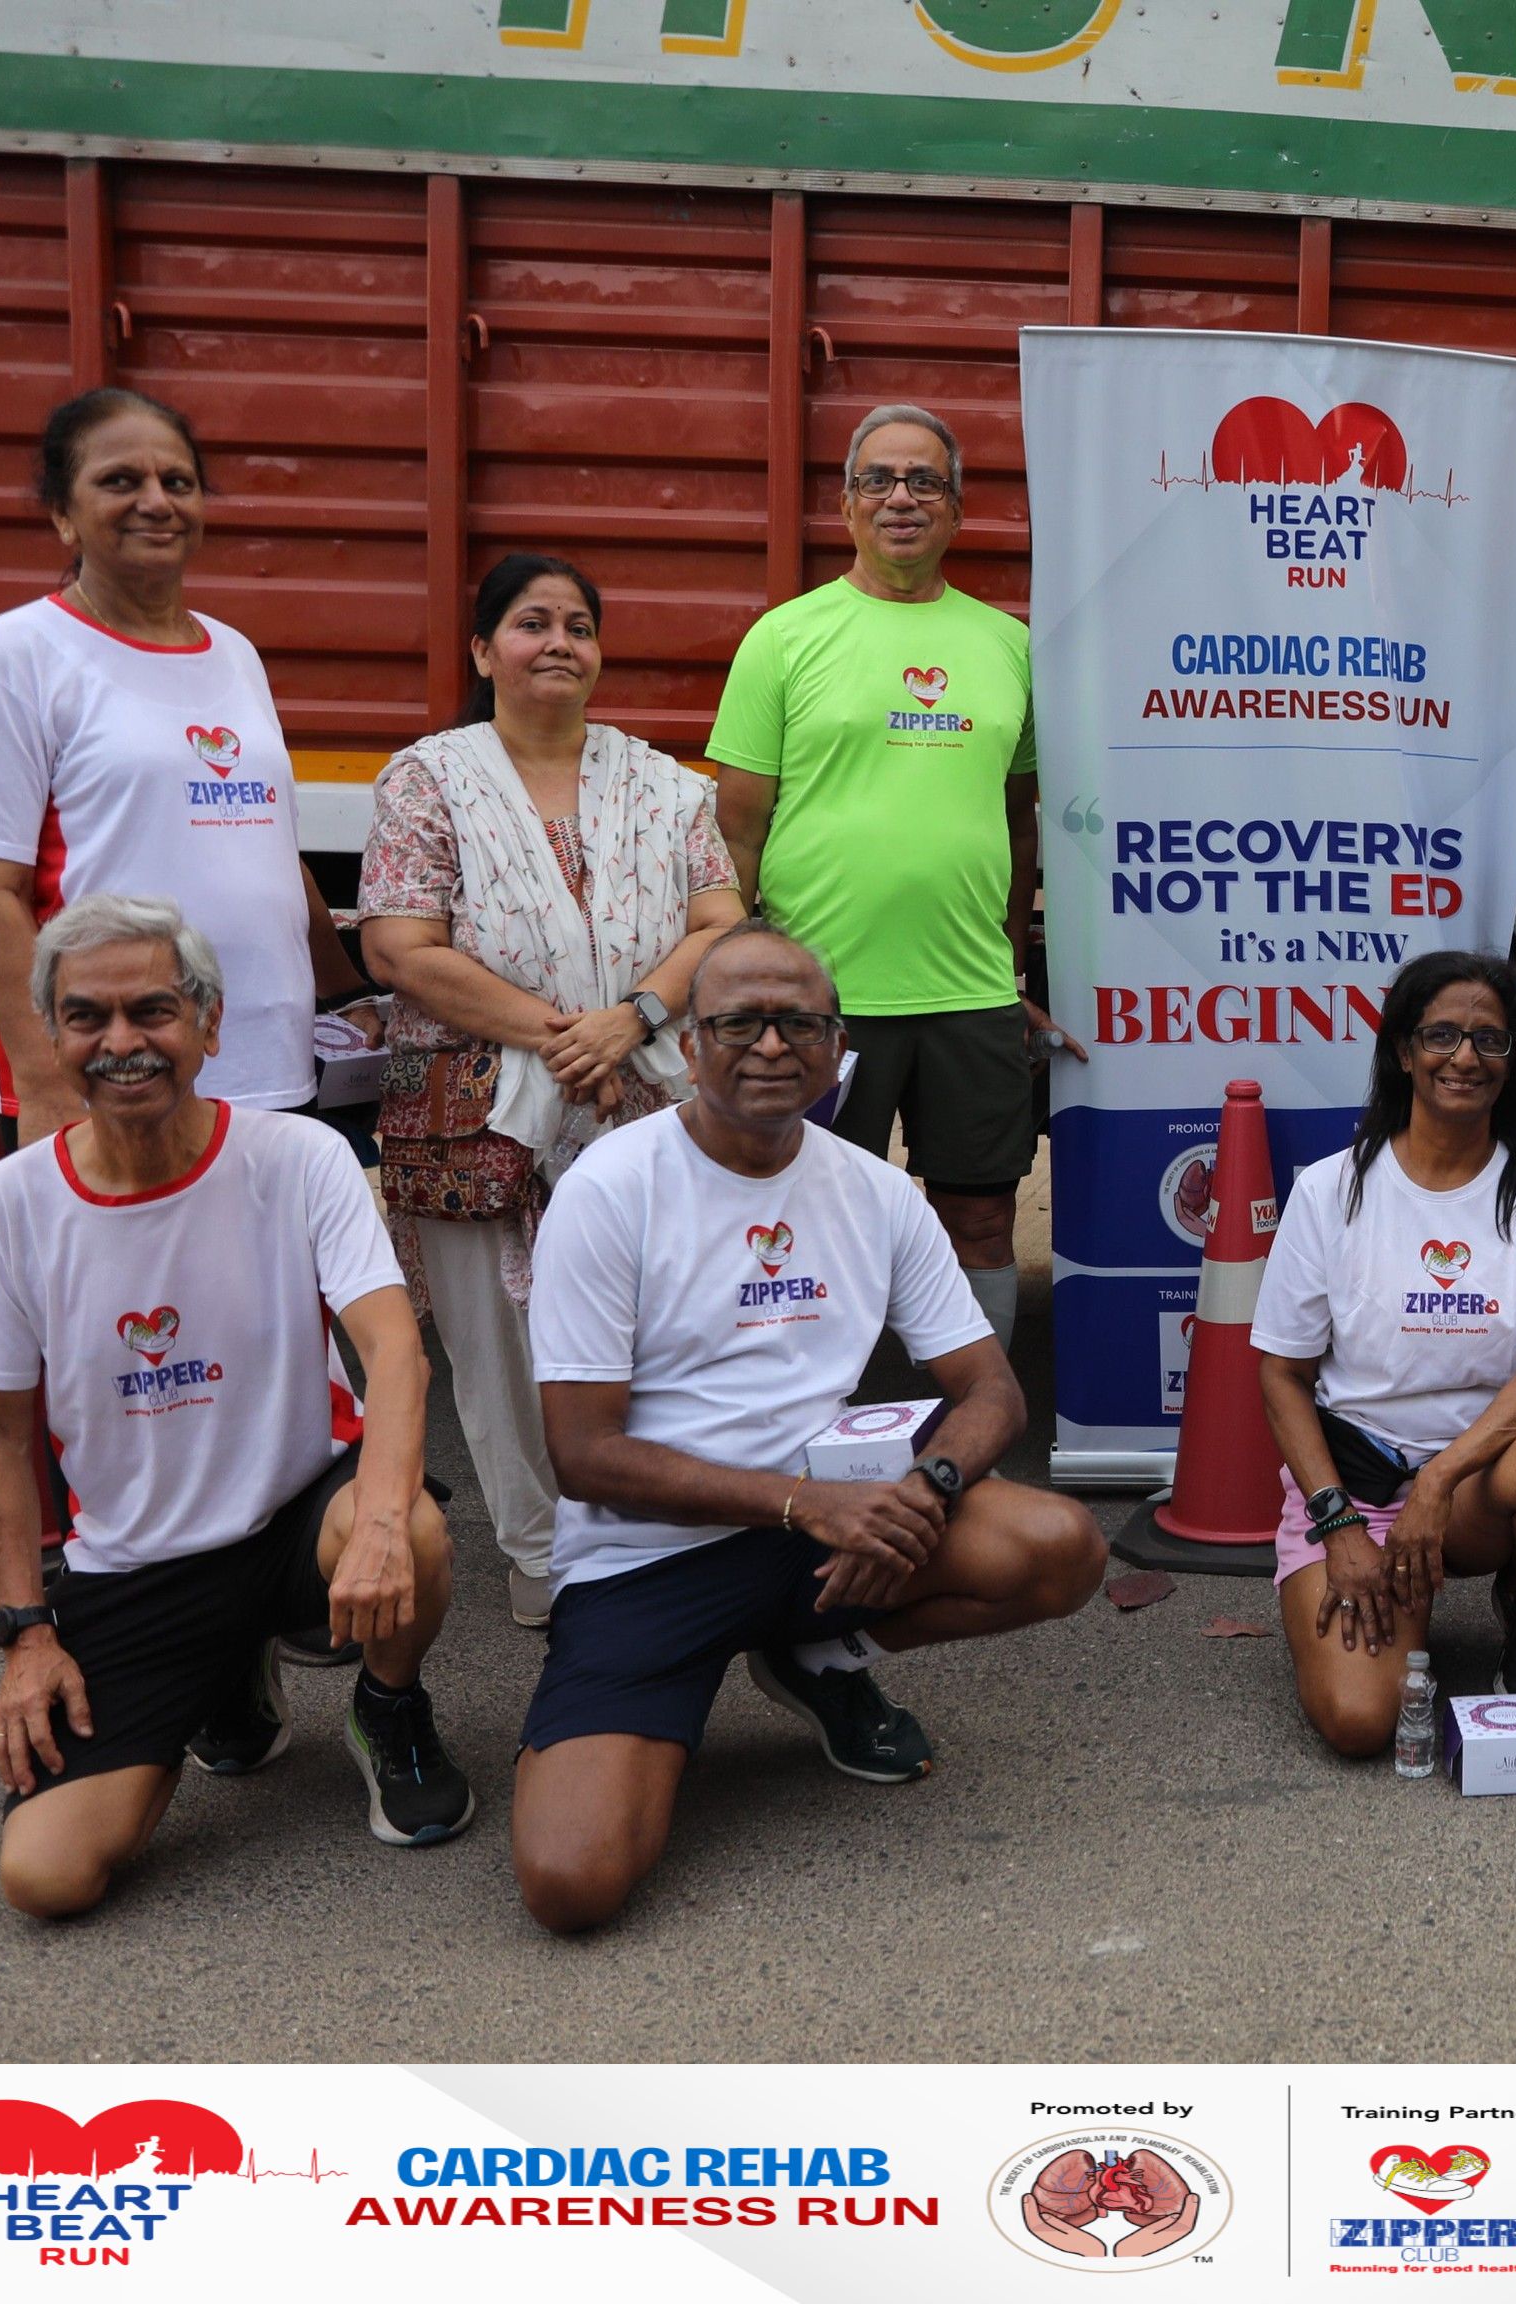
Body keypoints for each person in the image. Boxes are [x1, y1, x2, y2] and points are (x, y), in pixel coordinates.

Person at [512, 924, 1107, 1931]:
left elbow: (992, 1394)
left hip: (830, 1533)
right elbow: (584, 1457)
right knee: (574, 1885)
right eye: (738, 1023)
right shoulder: (611, 1188)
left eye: (800, 1024)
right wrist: (805, 1504)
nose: (771, 1046)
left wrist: (922, 1494)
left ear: (838, 1047)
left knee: (1060, 1548)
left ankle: (818, 1658)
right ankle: (675, 1691)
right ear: (689, 1046)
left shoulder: (871, 1188)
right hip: (647, 1558)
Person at [0, 896, 470, 1919]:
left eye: (152, 1010)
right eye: (88, 1017)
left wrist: (377, 1521)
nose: (122, 1042)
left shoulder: (298, 1157)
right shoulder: (11, 1204)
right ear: (52, 1035)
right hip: (138, 1565)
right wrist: (26, 1635)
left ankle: (388, 1705)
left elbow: (394, 1351)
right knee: (47, 1877)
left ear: (209, 1023)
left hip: (295, 1516)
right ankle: (226, 1677)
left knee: (411, 1529)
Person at [360, 555, 745, 1627]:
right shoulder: (426, 781)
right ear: (484, 651)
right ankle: (541, 1553)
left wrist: (633, 1019)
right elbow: (400, 946)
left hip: (640, 1093)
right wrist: (572, 1036)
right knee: (495, 1343)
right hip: (475, 1105)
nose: (560, 643)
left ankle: (656, 1535)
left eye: (579, 625)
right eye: (533, 623)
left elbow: (722, 922)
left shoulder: (666, 786)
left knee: (652, 1326)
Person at [707, 404, 1076, 1356]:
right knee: (806, 1225)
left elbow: (1019, 821)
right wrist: (734, 987)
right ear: (846, 503)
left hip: (970, 999)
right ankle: (807, 1418)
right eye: (878, 479)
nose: (901, 497)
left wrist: (1011, 971)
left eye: (924, 480)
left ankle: (977, 1416)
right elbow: (735, 832)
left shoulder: (1008, 646)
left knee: (981, 1221)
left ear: (957, 508)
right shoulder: (784, 638)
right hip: (818, 1005)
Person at [0, 388, 368, 1142]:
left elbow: (268, 850)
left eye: (177, 481)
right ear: (62, 514)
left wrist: (345, 997)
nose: (156, 502)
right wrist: (47, 1080)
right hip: (113, 1077)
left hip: (268, 1066)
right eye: (120, 481)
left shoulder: (235, 653)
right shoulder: (14, 656)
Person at [1253, 952, 1516, 1750]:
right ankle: (1386, 1593)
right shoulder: (1329, 1188)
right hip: (1358, 1488)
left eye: (1491, 1039)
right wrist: (1338, 1526)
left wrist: (1439, 1482)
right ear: (1403, 1050)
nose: (1465, 1057)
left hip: (1477, 1485)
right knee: (1360, 1723)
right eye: (1442, 1035)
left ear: (1514, 1059)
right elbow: (1281, 1374)